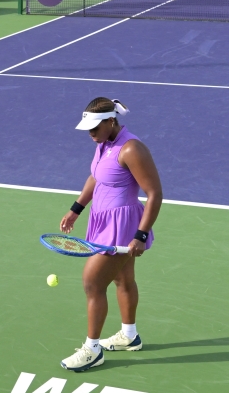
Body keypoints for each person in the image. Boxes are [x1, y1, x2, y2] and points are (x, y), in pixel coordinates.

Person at [58, 98, 162, 372]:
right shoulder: (104, 143)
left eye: (95, 128)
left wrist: (140, 235)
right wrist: (77, 208)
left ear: (111, 121)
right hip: (102, 220)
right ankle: (129, 335)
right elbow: (96, 176)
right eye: (88, 129)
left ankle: (92, 350)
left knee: (92, 283)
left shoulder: (131, 149)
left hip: (122, 225)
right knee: (122, 278)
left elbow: (154, 194)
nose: (91, 134)